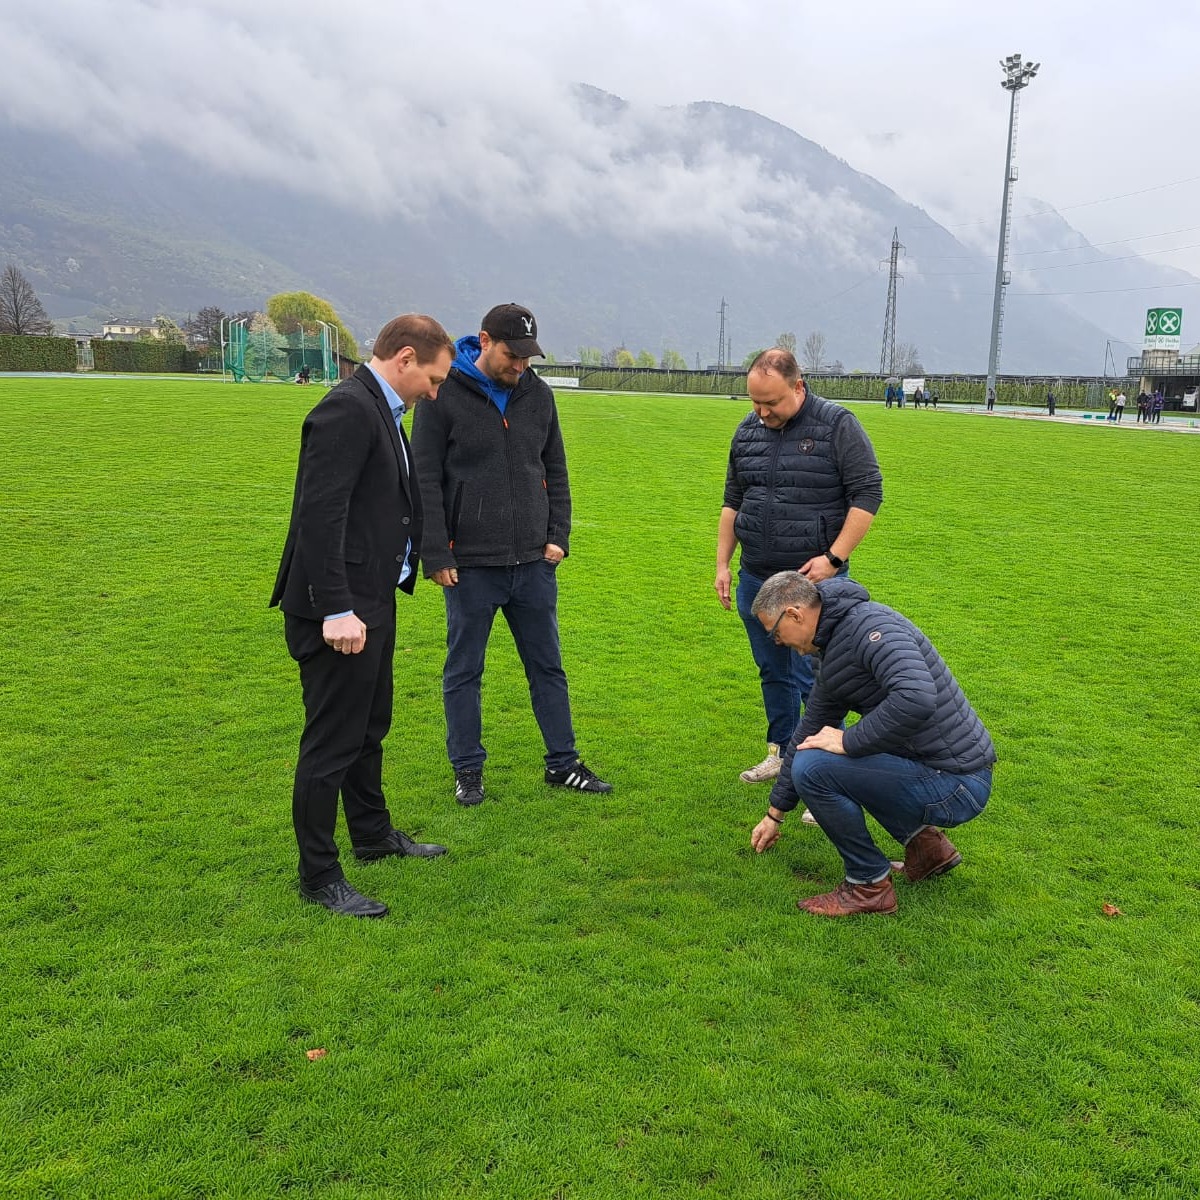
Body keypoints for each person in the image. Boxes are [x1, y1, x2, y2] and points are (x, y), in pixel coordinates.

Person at [271, 314, 456, 918]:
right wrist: (337, 609)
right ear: (405, 358)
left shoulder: (384, 410)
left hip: (370, 599)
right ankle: (319, 875)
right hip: (339, 610)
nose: (435, 391)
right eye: (432, 378)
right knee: (332, 740)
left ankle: (373, 836)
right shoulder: (347, 410)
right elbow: (318, 516)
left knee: (370, 725)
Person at [411, 303, 611, 806]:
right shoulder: (441, 396)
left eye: (527, 357)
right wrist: (436, 553)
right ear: (484, 341)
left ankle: (563, 764)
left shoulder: (538, 396)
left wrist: (558, 535)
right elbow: (425, 480)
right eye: (511, 355)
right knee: (464, 671)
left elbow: (556, 469)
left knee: (548, 665)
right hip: (469, 566)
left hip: (533, 563)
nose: (520, 366)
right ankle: (468, 770)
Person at [748, 571, 996, 917]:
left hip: (958, 783)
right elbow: (807, 731)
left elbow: (917, 697)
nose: (777, 642)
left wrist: (849, 740)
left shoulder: (869, 627)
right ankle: (928, 851)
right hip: (940, 772)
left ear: (794, 614)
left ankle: (868, 885)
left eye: (775, 632)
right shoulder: (833, 646)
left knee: (815, 767)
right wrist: (775, 813)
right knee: (819, 755)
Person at [715, 347, 884, 788]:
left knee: (820, 677)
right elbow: (734, 501)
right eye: (755, 402)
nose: (762, 412)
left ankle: (829, 768)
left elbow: (868, 493)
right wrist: (723, 564)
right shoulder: (747, 431)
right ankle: (781, 751)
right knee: (773, 669)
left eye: (771, 402)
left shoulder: (837, 425)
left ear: (798, 387)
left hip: (812, 581)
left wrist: (834, 558)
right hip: (756, 573)